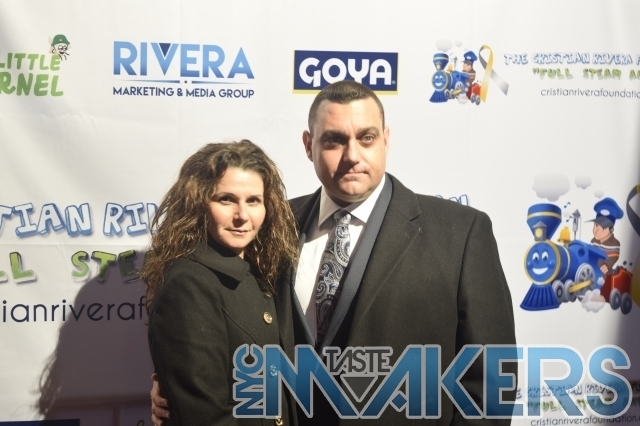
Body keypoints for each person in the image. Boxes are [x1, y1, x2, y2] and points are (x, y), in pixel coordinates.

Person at [151, 81, 517, 425]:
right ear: (309, 145)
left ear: (386, 140)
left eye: (366, 138)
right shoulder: (270, 224)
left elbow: (490, 379)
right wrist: (177, 387)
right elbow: (223, 322)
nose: (352, 156)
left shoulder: (460, 232)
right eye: (334, 140)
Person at [144, 140, 299, 425]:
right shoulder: (188, 284)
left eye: (254, 200)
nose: (242, 216)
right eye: (226, 199)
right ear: (198, 203)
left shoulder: (262, 269)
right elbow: (205, 416)